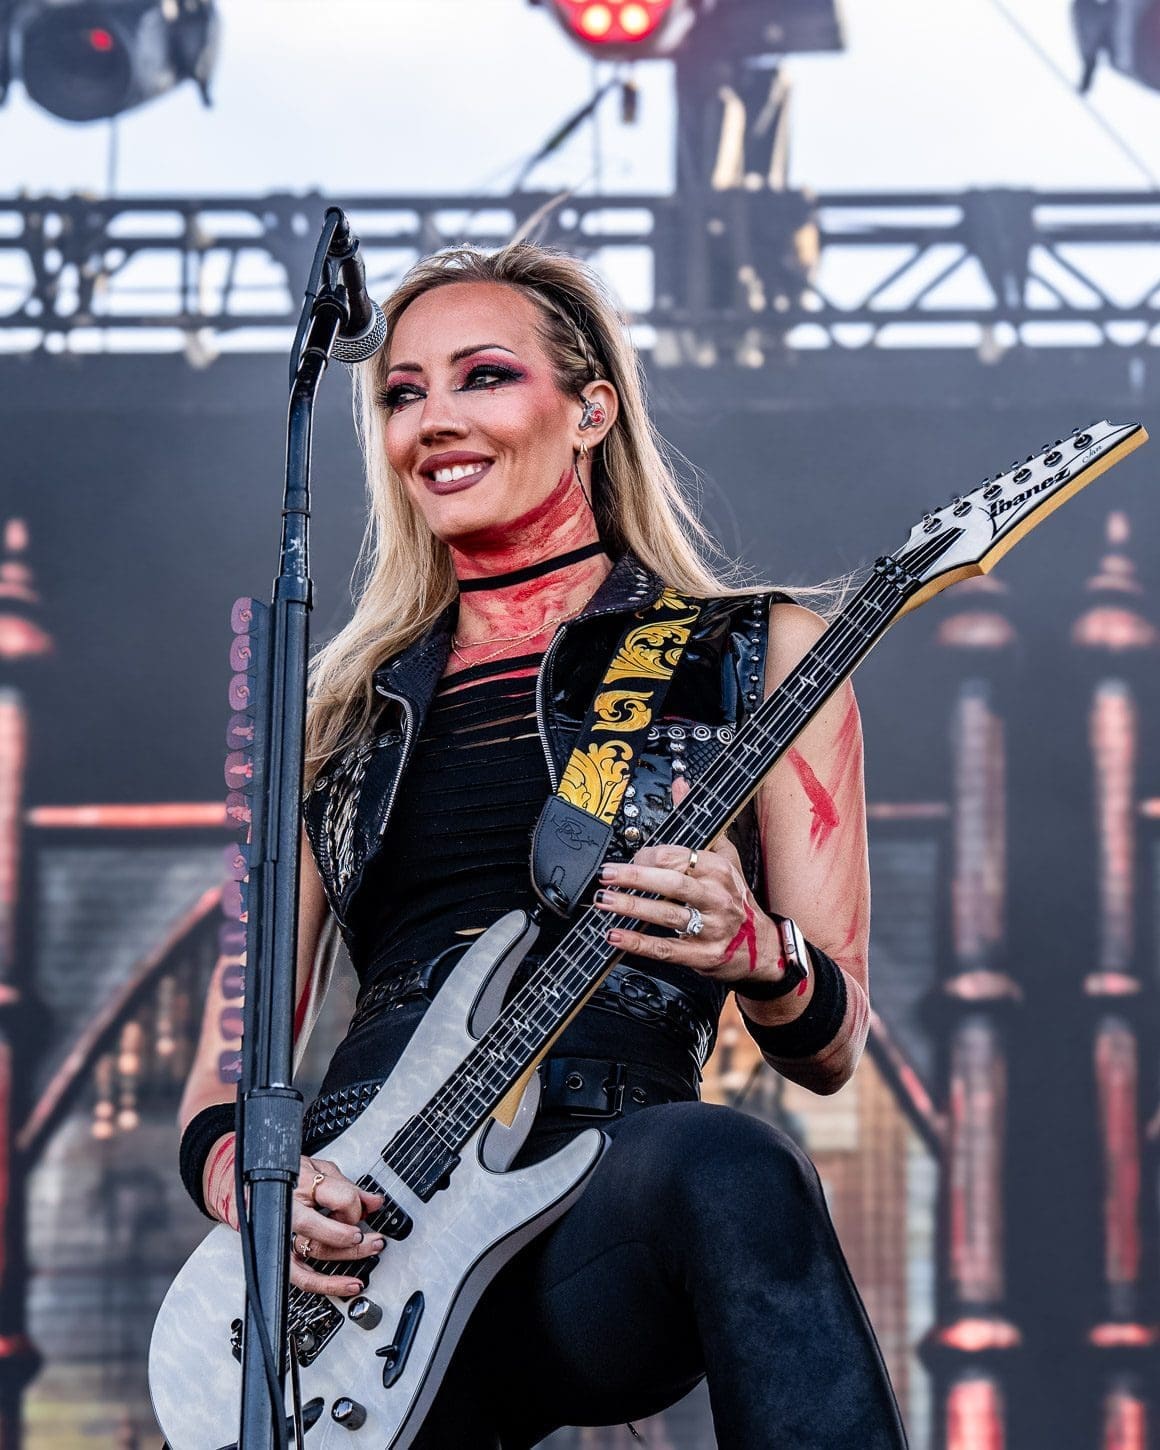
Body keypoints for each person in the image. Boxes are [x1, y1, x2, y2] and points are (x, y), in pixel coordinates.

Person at [178, 240, 908, 1448]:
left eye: (480, 377)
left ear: (589, 411)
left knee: (734, 1171)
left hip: (603, 1197)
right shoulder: (335, 717)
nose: (432, 420)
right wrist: (251, 1191)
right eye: (402, 392)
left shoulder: (760, 654)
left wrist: (755, 950)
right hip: (365, 1250)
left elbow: (832, 1047)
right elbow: (227, 1058)